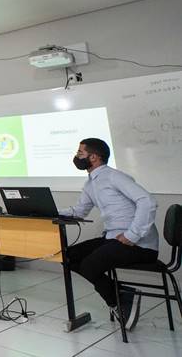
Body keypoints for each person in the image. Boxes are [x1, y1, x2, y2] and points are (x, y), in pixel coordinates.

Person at [60, 137, 159, 331]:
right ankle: (121, 294)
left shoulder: (114, 176)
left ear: (94, 157)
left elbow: (147, 201)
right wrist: (49, 211)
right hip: (113, 239)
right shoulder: (90, 184)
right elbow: (79, 211)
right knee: (68, 256)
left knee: (90, 265)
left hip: (139, 245)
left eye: (80, 153)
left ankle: (117, 301)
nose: (76, 156)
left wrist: (132, 235)